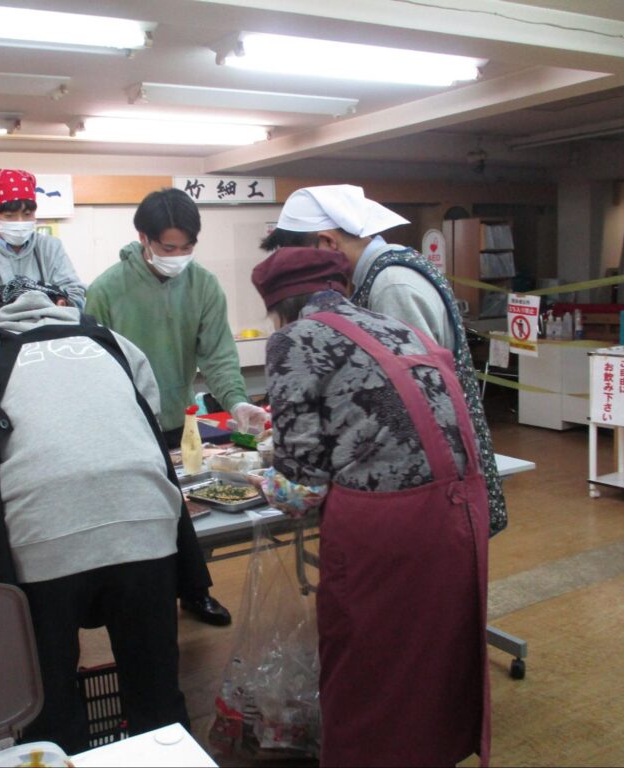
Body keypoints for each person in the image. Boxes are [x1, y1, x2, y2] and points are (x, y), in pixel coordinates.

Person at [250, 247, 491, 767]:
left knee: (368, 667)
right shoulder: (396, 327)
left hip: (389, 524)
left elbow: (303, 488)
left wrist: (260, 480)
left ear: (278, 306)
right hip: (458, 507)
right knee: (434, 657)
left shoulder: (294, 338)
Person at [0, 277, 189, 752]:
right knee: (155, 693)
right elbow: (149, 424)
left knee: (49, 703)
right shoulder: (115, 343)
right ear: (62, 305)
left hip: (40, 536)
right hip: (147, 522)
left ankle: (60, 750)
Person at [261, 184, 507, 536]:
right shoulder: (381, 271)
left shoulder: (391, 283)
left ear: (329, 244)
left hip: (422, 490)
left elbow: (412, 401)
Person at [85, 187, 267, 626]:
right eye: (169, 248)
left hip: (179, 421)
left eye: (187, 247)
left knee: (186, 511)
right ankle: (146, 609)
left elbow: (218, 356)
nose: (179, 256)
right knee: (141, 519)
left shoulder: (202, 284)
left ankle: (194, 591)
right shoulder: (107, 289)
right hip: (123, 425)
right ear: (143, 238)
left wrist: (238, 402)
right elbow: (95, 367)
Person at [0, 168, 86, 312]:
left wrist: (65, 302)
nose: (20, 222)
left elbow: (75, 292)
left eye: (27, 214)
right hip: (3, 332)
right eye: (10, 216)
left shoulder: (49, 247)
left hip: (52, 329)